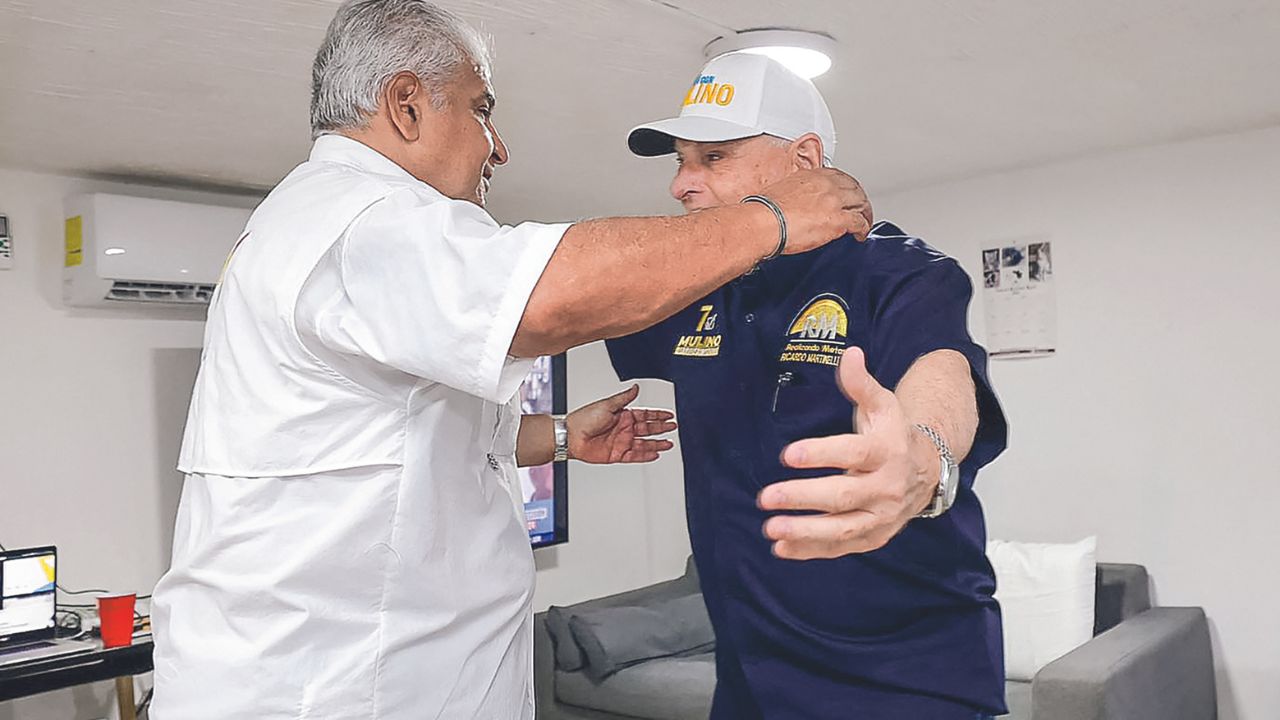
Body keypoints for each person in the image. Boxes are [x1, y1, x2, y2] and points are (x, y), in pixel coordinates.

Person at [147, 1, 873, 719]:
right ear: (406, 106)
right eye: (480, 108)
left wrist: (559, 436)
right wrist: (773, 217)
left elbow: (383, 443)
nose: (499, 147)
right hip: (338, 692)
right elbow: (548, 298)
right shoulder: (362, 221)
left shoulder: (322, 223)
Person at [607, 51, 1009, 719]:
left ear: (805, 161)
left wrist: (922, 452)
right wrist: (554, 434)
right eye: (680, 160)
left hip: (904, 683)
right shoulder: (698, 288)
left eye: (713, 158)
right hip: (747, 680)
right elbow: (553, 311)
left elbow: (941, 373)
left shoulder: (902, 274)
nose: (681, 183)